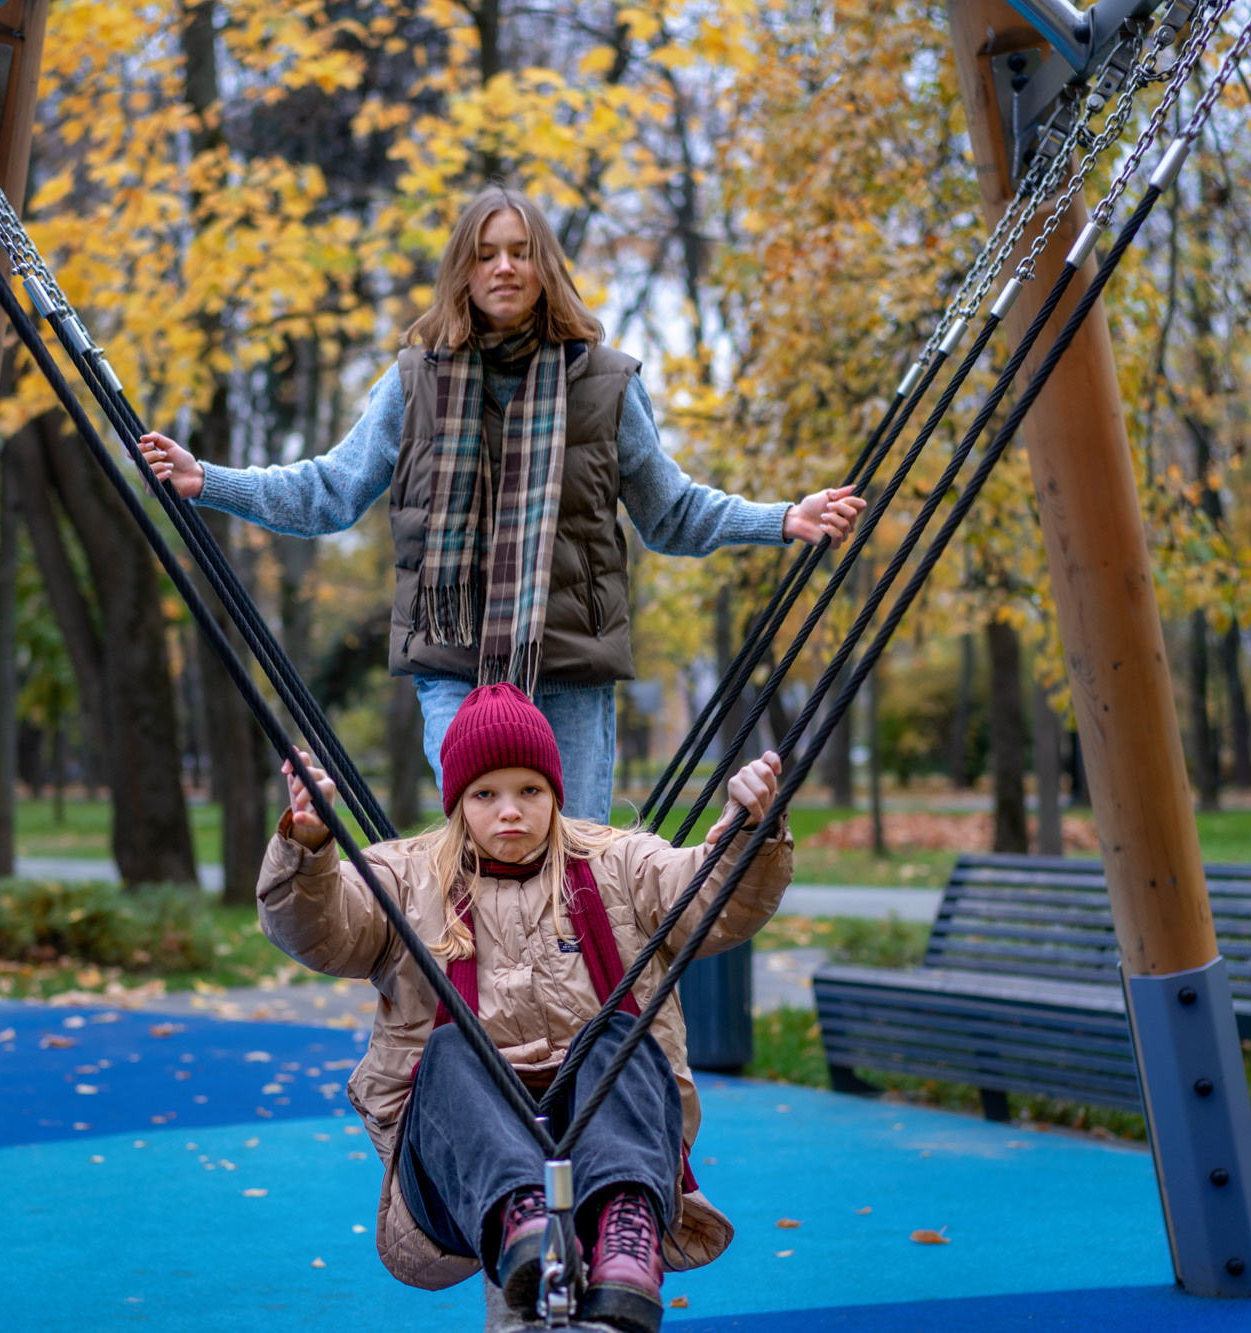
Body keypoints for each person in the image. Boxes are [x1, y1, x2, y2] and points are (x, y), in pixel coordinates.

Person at [142, 186, 861, 822]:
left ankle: (585, 981)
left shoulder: (606, 384)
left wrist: (781, 518)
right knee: (486, 854)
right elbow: (329, 493)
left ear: (545, 266)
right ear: (464, 268)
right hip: (455, 667)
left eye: (520, 252)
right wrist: (210, 479)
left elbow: (670, 513)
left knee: (575, 865)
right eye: (486, 254)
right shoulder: (414, 383)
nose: (505, 267)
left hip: (570, 670)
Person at [258, 682, 793, 1333]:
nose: (510, 811)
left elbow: (708, 895)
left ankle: (626, 1233)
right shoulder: (403, 877)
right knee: (453, 1047)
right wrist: (309, 846)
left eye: (529, 791)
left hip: (606, 1133)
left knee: (616, 1033)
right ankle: (525, 1222)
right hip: (457, 1161)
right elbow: (323, 928)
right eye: (486, 794)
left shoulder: (617, 861)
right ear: (457, 801)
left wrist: (749, 832)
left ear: (555, 793)